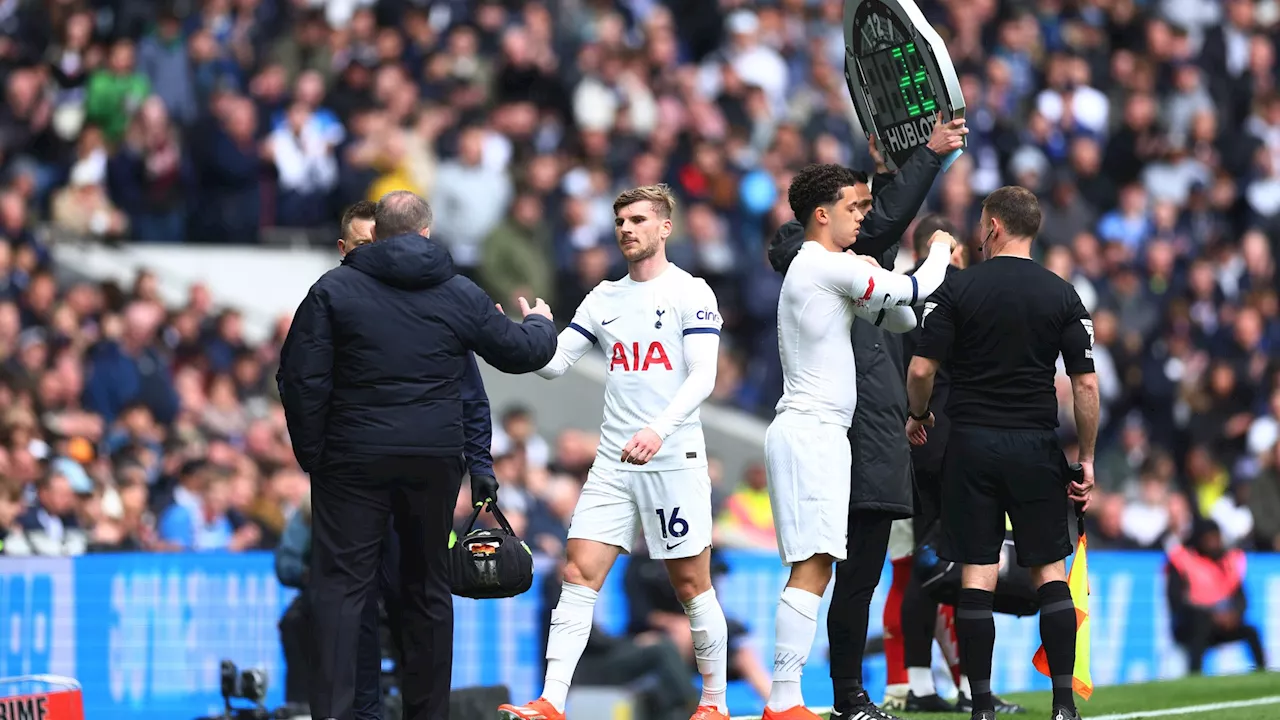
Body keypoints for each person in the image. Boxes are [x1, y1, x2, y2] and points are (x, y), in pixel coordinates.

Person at [278, 189, 556, 720]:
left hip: (352, 459)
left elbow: (300, 377)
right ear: (427, 232)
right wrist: (540, 321)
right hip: (432, 460)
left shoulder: (333, 288)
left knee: (341, 589)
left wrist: (315, 453)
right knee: (426, 587)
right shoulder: (458, 292)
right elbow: (521, 353)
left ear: (376, 232)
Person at [498, 184, 731, 720]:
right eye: (621, 220)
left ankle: (714, 703)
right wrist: (515, 331)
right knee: (579, 573)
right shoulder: (604, 297)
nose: (627, 228)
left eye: (638, 219)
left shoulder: (690, 291)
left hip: (671, 459)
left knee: (692, 585)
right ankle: (552, 701)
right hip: (613, 462)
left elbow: (704, 376)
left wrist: (659, 429)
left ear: (665, 227)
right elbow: (554, 363)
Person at [767, 117, 967, 719]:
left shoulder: (830, 272)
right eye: (853, 208)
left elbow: (898, 315)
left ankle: (804, 699)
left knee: (830, 572)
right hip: (820, 431)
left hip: (829, 430)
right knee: (820, 571)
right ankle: (798, 699)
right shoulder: (823, 264)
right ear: (822, 216)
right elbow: (908, 292)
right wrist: (936, 250)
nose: (865, 217)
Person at [905, 186, 1098, 720]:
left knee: (977, 574)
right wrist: (1086, 458)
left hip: (970, 445)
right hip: (1036, 445)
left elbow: (921, 370)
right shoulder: (1064, 294)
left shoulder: (956, 290)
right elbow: (1084, 386)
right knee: (1049, 572)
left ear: (991, 227)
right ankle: (1063, 706)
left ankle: (982, 706)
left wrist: (918, 417)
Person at [328, 200, 501, 720]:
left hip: (411, 476)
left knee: (418, 598)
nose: (378, 257)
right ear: (345, 251)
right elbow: (309, 383)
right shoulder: (335, 305)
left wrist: (481, 463)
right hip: (355, 477)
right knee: (354, 606)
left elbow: (471, 392)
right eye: (364, 247)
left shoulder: (433, 306)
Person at [1166, 519, 1267, 674]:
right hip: (1191, 625)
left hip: (1222, 624)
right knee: (1201, 627)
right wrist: (1211, 615)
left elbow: (1241, 598)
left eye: (1216, 538)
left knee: (1251, 631)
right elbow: (1176, 602)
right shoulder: (1183, 561)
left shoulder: (1228, 563)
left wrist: (1233, 615)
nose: (1213, 543)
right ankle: (1194, 675)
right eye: (1209, 539)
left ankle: (1262, 672)